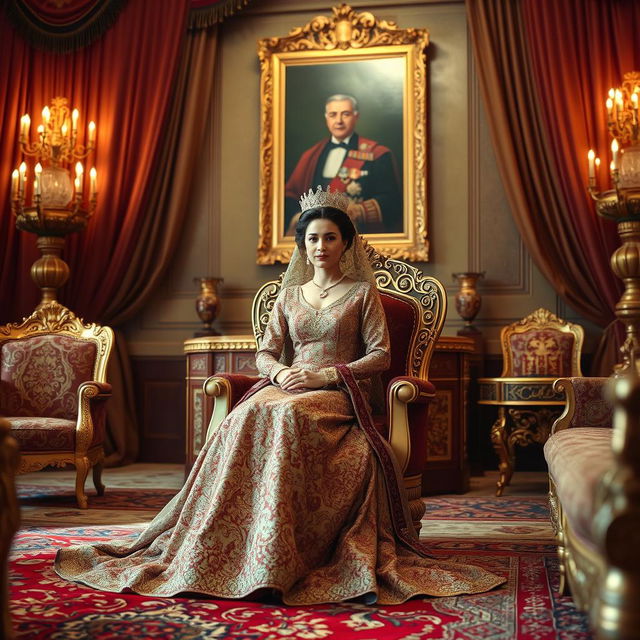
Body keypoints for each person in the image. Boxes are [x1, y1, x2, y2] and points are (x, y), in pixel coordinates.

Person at [55, 187, 504, 605]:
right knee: (243, 417)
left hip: (336, 392)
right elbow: (265, 353)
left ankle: (285, 547)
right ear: (303, 245)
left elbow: (381, 356)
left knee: (288, 417)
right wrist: (284, 371)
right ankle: (231, 538)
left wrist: (324, 375)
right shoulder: (289, 296)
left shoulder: (363, 294)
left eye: (330, 238)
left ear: (346, 243)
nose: (321, 246)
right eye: (312, 238)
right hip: (285, 386)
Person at [285, 94, 403, 235]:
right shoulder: (310, 155)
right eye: (333, 115)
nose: (339, 121)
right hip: (317, 237)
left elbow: (392, 201)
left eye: (345, 114)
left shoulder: (377, 154)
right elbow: (290, 195)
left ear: (356, 116)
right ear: (326, 118)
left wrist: (359, 210)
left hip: (358, 236)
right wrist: (297, 216)